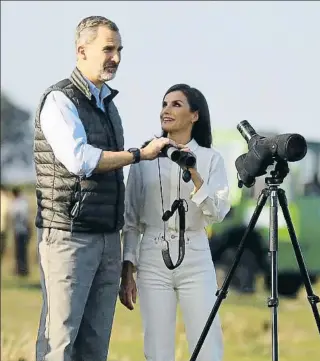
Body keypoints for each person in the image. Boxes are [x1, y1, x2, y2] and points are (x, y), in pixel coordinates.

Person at [33, 16, 180, 361]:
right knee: (60, 344)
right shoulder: (59, 100)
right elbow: (80, 160)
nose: (115, 57)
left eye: (119, 50)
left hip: (105, 238)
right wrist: (137, 155)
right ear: (82, 51)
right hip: (69, 237)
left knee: (95, 346)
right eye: (108, 49)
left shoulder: (108, 105)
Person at [120, 83, 231, 361]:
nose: (166, 110)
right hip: (152, 257)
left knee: (207, 341)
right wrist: (127, 269)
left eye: (176, 104)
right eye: (164, 104)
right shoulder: (144, 156)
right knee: (157, 346)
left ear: (195, 115)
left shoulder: (211, 159)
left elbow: (216, 212)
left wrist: (193, 171)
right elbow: (131, 219)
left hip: (195, 254)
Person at [9, 186, 31, 276]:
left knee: (20, 251)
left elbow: (15, 215)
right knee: (23, 251)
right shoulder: (24, 202)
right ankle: (22, 269)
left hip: (19, 230)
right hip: (23, 230)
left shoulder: (17, 203)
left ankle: (21, 270)